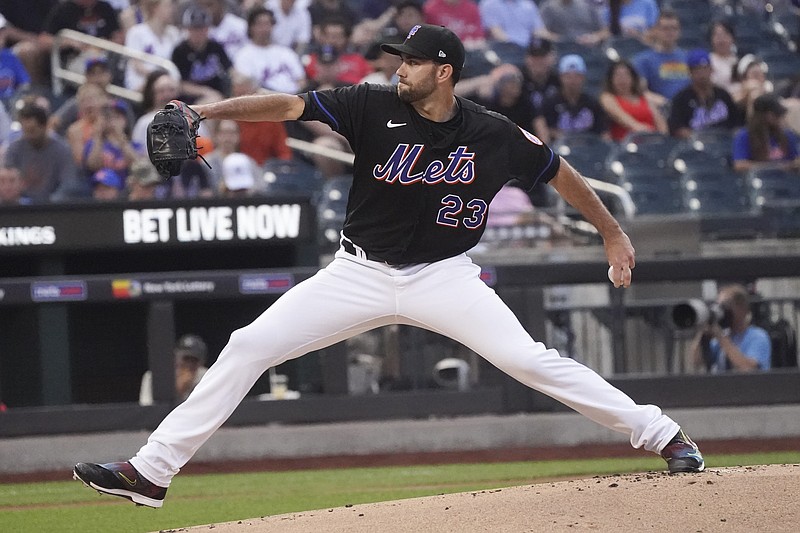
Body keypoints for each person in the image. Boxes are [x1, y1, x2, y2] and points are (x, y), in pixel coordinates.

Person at [73, 24, 704, 509]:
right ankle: (152, 471)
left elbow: (559, 173)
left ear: (445, 70)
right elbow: (290, 106)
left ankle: (663, 434)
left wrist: (613, 234)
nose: (399, 68)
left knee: (531, 361)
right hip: (357, 273)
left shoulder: (493, 132)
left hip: (446, 276)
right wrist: (206, 113)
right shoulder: (369, 106)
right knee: (247, 345)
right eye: (398, 59)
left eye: (411, 60)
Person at [3, 103, 81, 202]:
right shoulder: (15, 149)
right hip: (21, 206)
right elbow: (7, 178)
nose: (28, 136)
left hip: (52, 206)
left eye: (32, 130)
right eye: (25, 130)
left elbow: (69, 183)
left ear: (44, 127)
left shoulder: (62, 150)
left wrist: (52, 202)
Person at [690, 284, 772, 373]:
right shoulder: (722, 337)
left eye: (725, 306)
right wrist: (702, 334)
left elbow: (748, 368)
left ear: (742, 309)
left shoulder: (757, 336)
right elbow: (696, 362)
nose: (722, 311)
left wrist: (721, 337)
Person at [534, 53, 609, 144]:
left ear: (583, 78)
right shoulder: (549, 103)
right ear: (561, 78)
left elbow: (603, 132)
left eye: (577, 76)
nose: (572, 81)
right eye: (568, 77)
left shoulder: (592, 103)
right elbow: (545, 129)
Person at [668, 49, 742, 140]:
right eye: (697, 70)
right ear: (690, 73)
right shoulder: (681, 99)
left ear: (711, 70)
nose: (702, 74)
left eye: (705, 68)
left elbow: (737, 123)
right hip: (695, 147)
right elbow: (678, 129)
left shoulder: (723, 95)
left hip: (724, 143)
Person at [233, 7, 306, 94]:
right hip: (264, 100)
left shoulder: (286, 52)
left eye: (268, 24)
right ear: (251, 27)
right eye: (260, 24)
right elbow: (245, 87)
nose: (265, 29)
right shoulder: (244, 55)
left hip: (293, 98)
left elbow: (301, 80)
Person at [171, 6, 232, 102]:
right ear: (188, 29)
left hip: (219, 92)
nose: (199, 33)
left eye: (202, 28)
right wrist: (205, 92)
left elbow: (230, 69)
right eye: (195, 29)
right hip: (193, 98)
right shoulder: (180, 51)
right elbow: (180, 84)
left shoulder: (215, 46)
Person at [600, 59, 667, 142]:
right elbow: (623, 118)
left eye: (626, 75)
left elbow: (660, 122)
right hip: (625, 144)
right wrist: (644, 131)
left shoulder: (645, 98)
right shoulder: (608, 98)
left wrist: (663, 138)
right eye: (618, 75)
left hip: (652, 143)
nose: (622, 79)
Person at [731, 93, 800, 172]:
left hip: (786, 181)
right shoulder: (744, 136)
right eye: (776, 115)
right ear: (766, 115)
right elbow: (740, 165)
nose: (780, 118)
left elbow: (795, 159)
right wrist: (777, 167)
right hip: (757, 181)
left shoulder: (787, 135)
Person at [123, 0, 182, 92]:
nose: (173, 10)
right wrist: (159, 78)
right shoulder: (136, 32)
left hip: (170, 86)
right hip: (142, 84)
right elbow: (137, 65)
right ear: (155, 8)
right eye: (168, 6)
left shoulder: (174, 33)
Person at [632, 9, 689, 101]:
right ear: (656, 31)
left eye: (674, 28)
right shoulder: (643, 60)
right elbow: (641, 92)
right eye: (665, 28)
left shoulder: (688, 57)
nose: (670, 32)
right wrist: (664, 103)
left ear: (679, 32)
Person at [139, 334, 210, 407]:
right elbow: (147, 410)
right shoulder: (154, 376)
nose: (189, 364)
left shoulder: (207, 376)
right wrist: (177, 391)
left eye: (194, 360)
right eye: (186, 358)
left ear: (201, 362)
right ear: (176, 357)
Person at [479, 0, 546, 49]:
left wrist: (555, 40)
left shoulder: (528, 4)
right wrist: (518, 47)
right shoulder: (489, 4)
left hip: (530, 49)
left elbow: (539, 30)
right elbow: (496, 33)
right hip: (505, 48)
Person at [538, 0, 609, 46]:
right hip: (562, 48)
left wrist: (594, 37)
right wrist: (559, 39)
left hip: (588, 48)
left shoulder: (588, 6)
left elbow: (605, 31)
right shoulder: (548, 7)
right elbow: (540, 32)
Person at [707, 20, 738, 94]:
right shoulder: (707, 61)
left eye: (725, 35)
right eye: (717, 35)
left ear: (732, 38)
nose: (721, 39)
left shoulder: (738, 61)